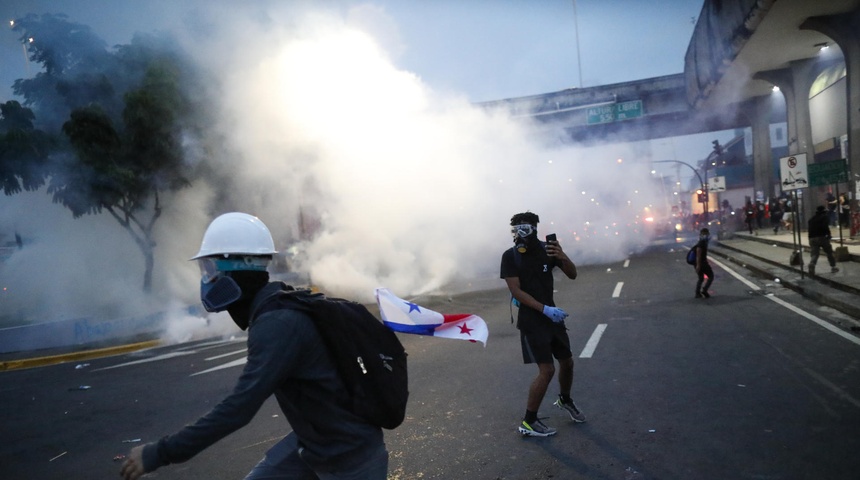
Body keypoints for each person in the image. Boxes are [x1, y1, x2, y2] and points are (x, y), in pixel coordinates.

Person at [120, 212, 388, 480]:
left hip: (350, 458)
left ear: (237, 267)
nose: (206, 280)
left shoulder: (277, 323)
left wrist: (160, 452)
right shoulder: (274, 307)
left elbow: (238, 409)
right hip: (316, 443)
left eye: (211, 269)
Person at [499, 211, 584, 437]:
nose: (520, 232)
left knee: (568, 362)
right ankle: (529, 421)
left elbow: (573, 275)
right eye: (516, 228)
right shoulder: (510, 256)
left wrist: (563, 256)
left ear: (535, 227)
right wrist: (545, 309)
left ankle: (565, 399)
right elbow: (515, 290)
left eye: (524, 227)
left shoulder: (548, 249)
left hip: (552, 319)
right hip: (532, 321)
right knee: (547, 370)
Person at [807, 205, 839, 277]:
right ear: (824, 212)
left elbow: (809, 229)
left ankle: (812, 264)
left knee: (815, 254)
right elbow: (825, 227)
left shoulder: (811, 219)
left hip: (812, 238)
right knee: (829, 252)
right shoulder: (824, 217)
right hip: (821, 237)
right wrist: (828, 235)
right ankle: (833, 267)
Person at [694, 228, 714, 298]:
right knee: (711, 276)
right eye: (705, 234)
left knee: (701, 278)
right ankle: (704, 290)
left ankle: (697, 293)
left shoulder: (703, 242)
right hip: (702, 263)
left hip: (699, 263)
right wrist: (698, 265)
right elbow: (698, 255)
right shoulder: (701, 243)